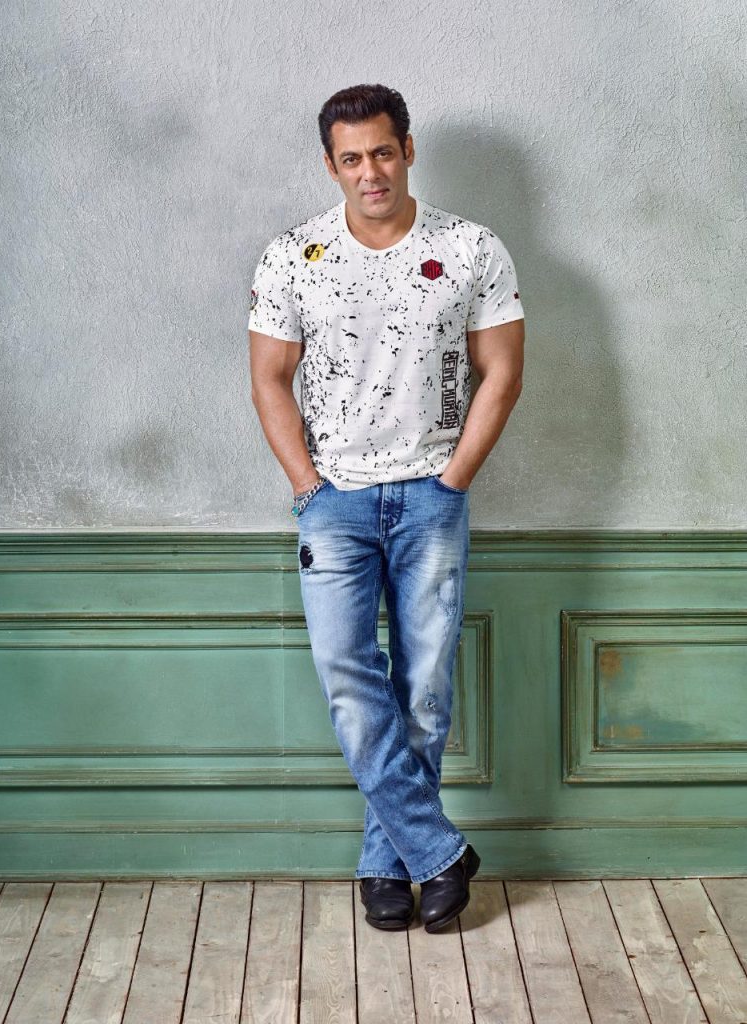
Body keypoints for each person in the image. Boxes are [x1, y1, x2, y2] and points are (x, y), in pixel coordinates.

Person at [248, 83, 525, 932]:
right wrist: (307, 487)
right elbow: (269, 380)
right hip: (333, 501)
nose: (369, 171)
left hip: (431, 496)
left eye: (381, 152)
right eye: (350, 158)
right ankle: (437, 852)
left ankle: (386, 864)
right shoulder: (293, 256)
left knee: (424, 691)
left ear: (406, 149)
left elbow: (501, 372)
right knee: (347, 676)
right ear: (330, 165)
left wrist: (453, 480)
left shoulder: (470, 248)